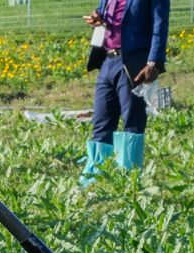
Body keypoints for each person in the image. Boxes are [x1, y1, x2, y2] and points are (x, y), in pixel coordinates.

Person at [79, 0, 169, 183]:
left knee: (133, 122)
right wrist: (98, 15)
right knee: (101, 122)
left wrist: (153, 62)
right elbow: (108, 11)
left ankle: (130, 180)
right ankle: (93, 178)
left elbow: (160, 24)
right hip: (108, 60)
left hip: (133, 63)